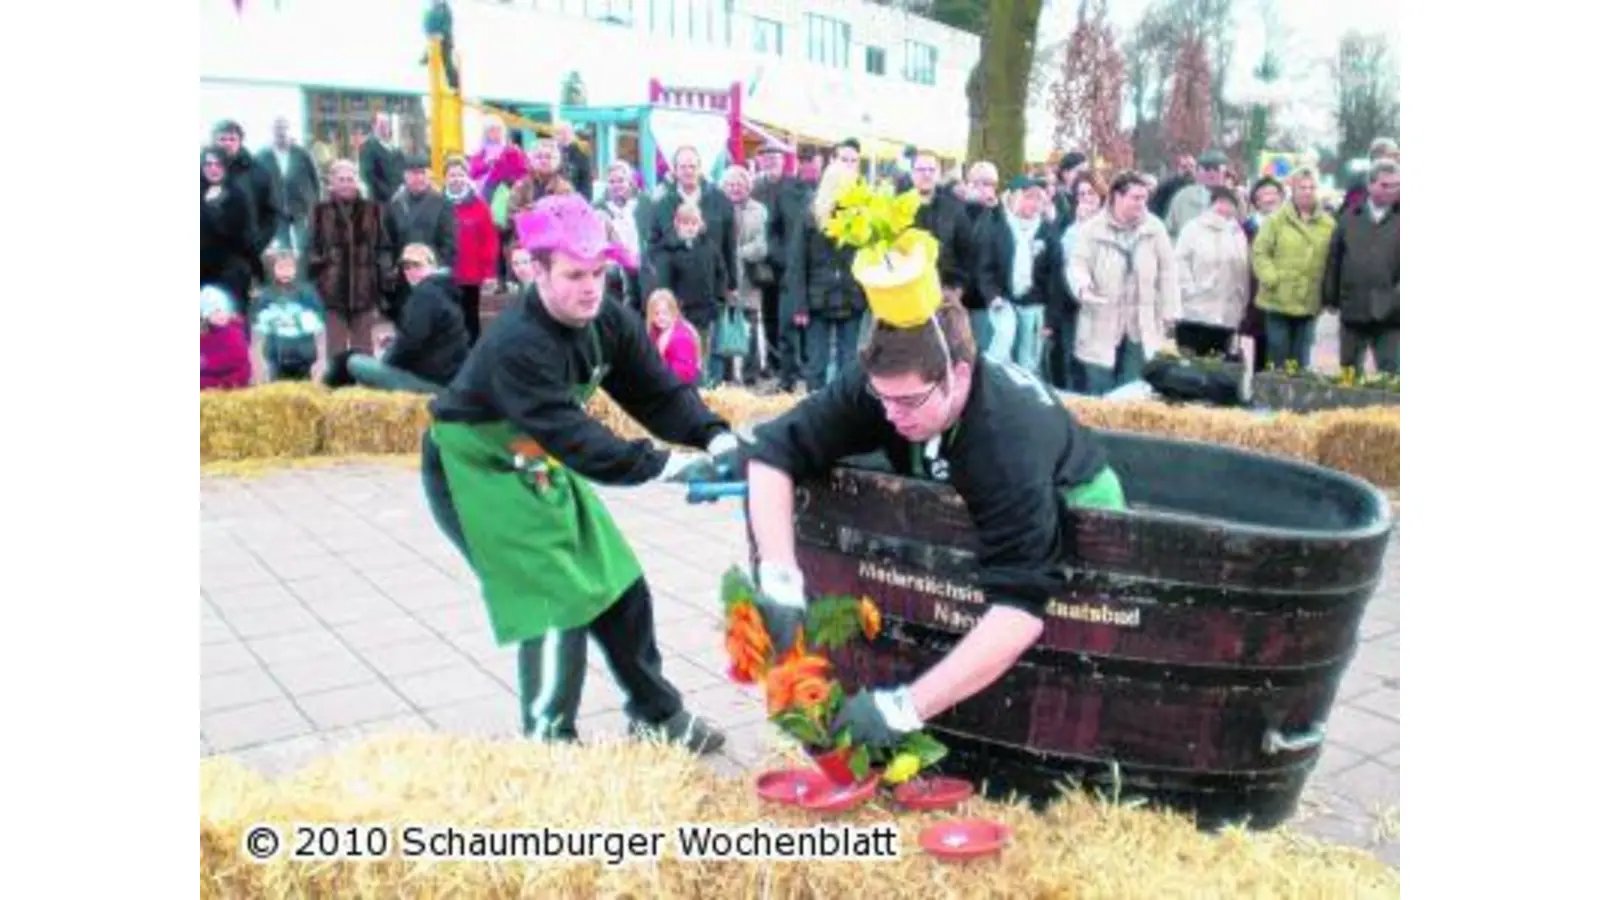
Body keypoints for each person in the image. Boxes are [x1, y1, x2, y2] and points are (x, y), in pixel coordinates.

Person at [742, 221, 1126, 753]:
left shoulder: (1005, 443)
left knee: (1062, 633)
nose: (892, 416)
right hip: (957, 472)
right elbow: (771, 453)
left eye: (909, 403)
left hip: (1074, 496)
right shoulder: (888, 384)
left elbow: (1019, 610)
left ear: (960, 375)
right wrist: (780, 578)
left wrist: (902, 709)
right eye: (882, 401)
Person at [420, 193, 739, 751]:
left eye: (599, 272)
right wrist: (666, 466)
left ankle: (656, 715)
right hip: (477, 467)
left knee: (621, 585)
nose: (590, 287)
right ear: (536, 270)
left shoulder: (607, 318)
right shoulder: (519, 342)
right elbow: (577, 439)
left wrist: (714, 435)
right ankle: (549, 745)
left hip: (537, 458)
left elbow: (656, 391)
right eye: (573, 274)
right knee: (555, 601)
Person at [337, 244, 470, 394]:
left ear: (432, 265)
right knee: (359, 357)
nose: (411, 272)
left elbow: (407, 346)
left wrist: (384, 362)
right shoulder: (446, 290)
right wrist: (395, 340)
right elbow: (425, 338)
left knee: (349, 361)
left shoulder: (425, 294)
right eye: (406, 267)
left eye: (417, 265)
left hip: (432, 386)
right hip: (447, 381)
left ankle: (324, 403)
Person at [1173, 186, 1251, 359]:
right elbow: (1179, 262)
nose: (1225, 207)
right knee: (1191, 366)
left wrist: (1242, 303)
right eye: (1220, 202)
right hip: (1194, 312)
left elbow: (1243, 271)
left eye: (1230, 203)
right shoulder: (1193, 229)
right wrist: (1189, 290)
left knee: (1218, 370)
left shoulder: (1237, 233)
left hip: (1227, 313)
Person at [250, 248, 328, 383]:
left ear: (296, 269)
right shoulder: (266, 295)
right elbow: (258, 325)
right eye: (281, 267)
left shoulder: (307, 292)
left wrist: (321, 358)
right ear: (273, 269)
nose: (285, 272)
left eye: (289, 267)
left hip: (303, 353)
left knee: (305, 388)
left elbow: (319, 322)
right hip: (276, 353)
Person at [645, 289, 702, 386]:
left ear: (673, 312)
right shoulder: (655, 332)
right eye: (656, 313)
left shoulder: (680, 337)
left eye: (665, 313)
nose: (661, 317)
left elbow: (684, 371)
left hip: (681, 387)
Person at [201, 286, 252, 390]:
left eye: (224, 310)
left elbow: (236, 361)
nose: (221, 315)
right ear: (205, 316)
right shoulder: (203, 336)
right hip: (209, 386)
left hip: (232, 384)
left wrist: (205, 363)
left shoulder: (235, 333)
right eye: (215, 312)